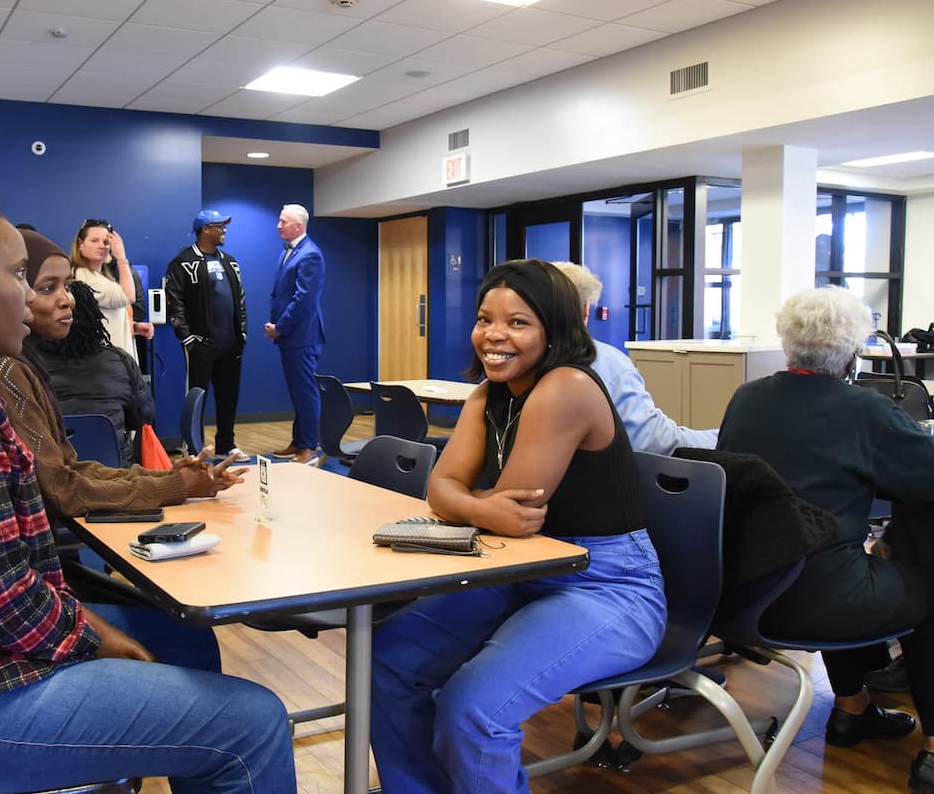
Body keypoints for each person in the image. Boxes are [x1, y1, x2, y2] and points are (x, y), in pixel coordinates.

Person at [0, 170, 296, 792]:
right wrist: (98, 639)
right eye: (18, 277)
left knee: (186, 648)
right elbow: (2, 606)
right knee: (251, 724)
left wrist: (90, 629)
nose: (33, 297)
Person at [370, 259, 668, 793]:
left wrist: (468, 498)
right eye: (485, 319)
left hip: (608, 586)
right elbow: (443, 492)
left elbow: (515, 516)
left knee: (473, 710)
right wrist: (480, 504)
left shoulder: (565, 387)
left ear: (556, 329)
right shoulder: (489, 393)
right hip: (518, 573)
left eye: (518, 322)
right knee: (388, 659)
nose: (494, 335)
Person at [716, 286, 934, 793]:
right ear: (855, 352)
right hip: (816, 603)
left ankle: (853, 710)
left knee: (834, 548)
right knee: (913, 584)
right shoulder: (865, 410)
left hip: (742, 593)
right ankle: (930, 750)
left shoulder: (747, 396)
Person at [0, 228, 246, 524]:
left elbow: (72, 469)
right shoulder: (6, 371)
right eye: (47, 288)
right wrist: (175, 485)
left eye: (67, 286)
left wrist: (169, 477)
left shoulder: (26, 364)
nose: (67, 300)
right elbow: (62, 491)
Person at [552, 261, 717, 453]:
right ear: (585, 310)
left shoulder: (523, 364)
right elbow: (653, 442)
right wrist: (722, 437)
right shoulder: (604, 363)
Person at [37, 278, 154, 467]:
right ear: (95, 317)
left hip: (56, 476)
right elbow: (143, 416)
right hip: (117, 476)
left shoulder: (26, 366)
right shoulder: (120, 361)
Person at [166, 209, 249, 461]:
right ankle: (194, 448)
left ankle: (227, 444)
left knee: (228, 398)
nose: (224, 230)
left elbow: (241, 300)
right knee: (197, 398)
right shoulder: (182, 262)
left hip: (231, 345)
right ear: (205, 229)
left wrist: (242, 333)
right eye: (219, 226)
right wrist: (187, 337)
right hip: (201, 345)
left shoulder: (230, 261)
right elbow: (174, 300)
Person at [265, 204, 325, 465]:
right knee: (298, 391)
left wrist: (280, 327)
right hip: (291, 337)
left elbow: (303, 300)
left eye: (283, 222)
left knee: (305, 392)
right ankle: (299, 441)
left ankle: (309, 447)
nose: (278, 225)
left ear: (298, 226)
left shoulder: (311, 255)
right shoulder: (290, 252)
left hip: (300, 336)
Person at [69, 218, 154, 364]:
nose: (102, 246)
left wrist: (132, 326)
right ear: (80, 244)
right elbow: (128, 297)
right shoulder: (83, 276)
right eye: (94, 240)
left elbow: (104, 317)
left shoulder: (100, 277)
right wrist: (121, 258)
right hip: (106, 364)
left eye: (106, 242)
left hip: (113, 362)